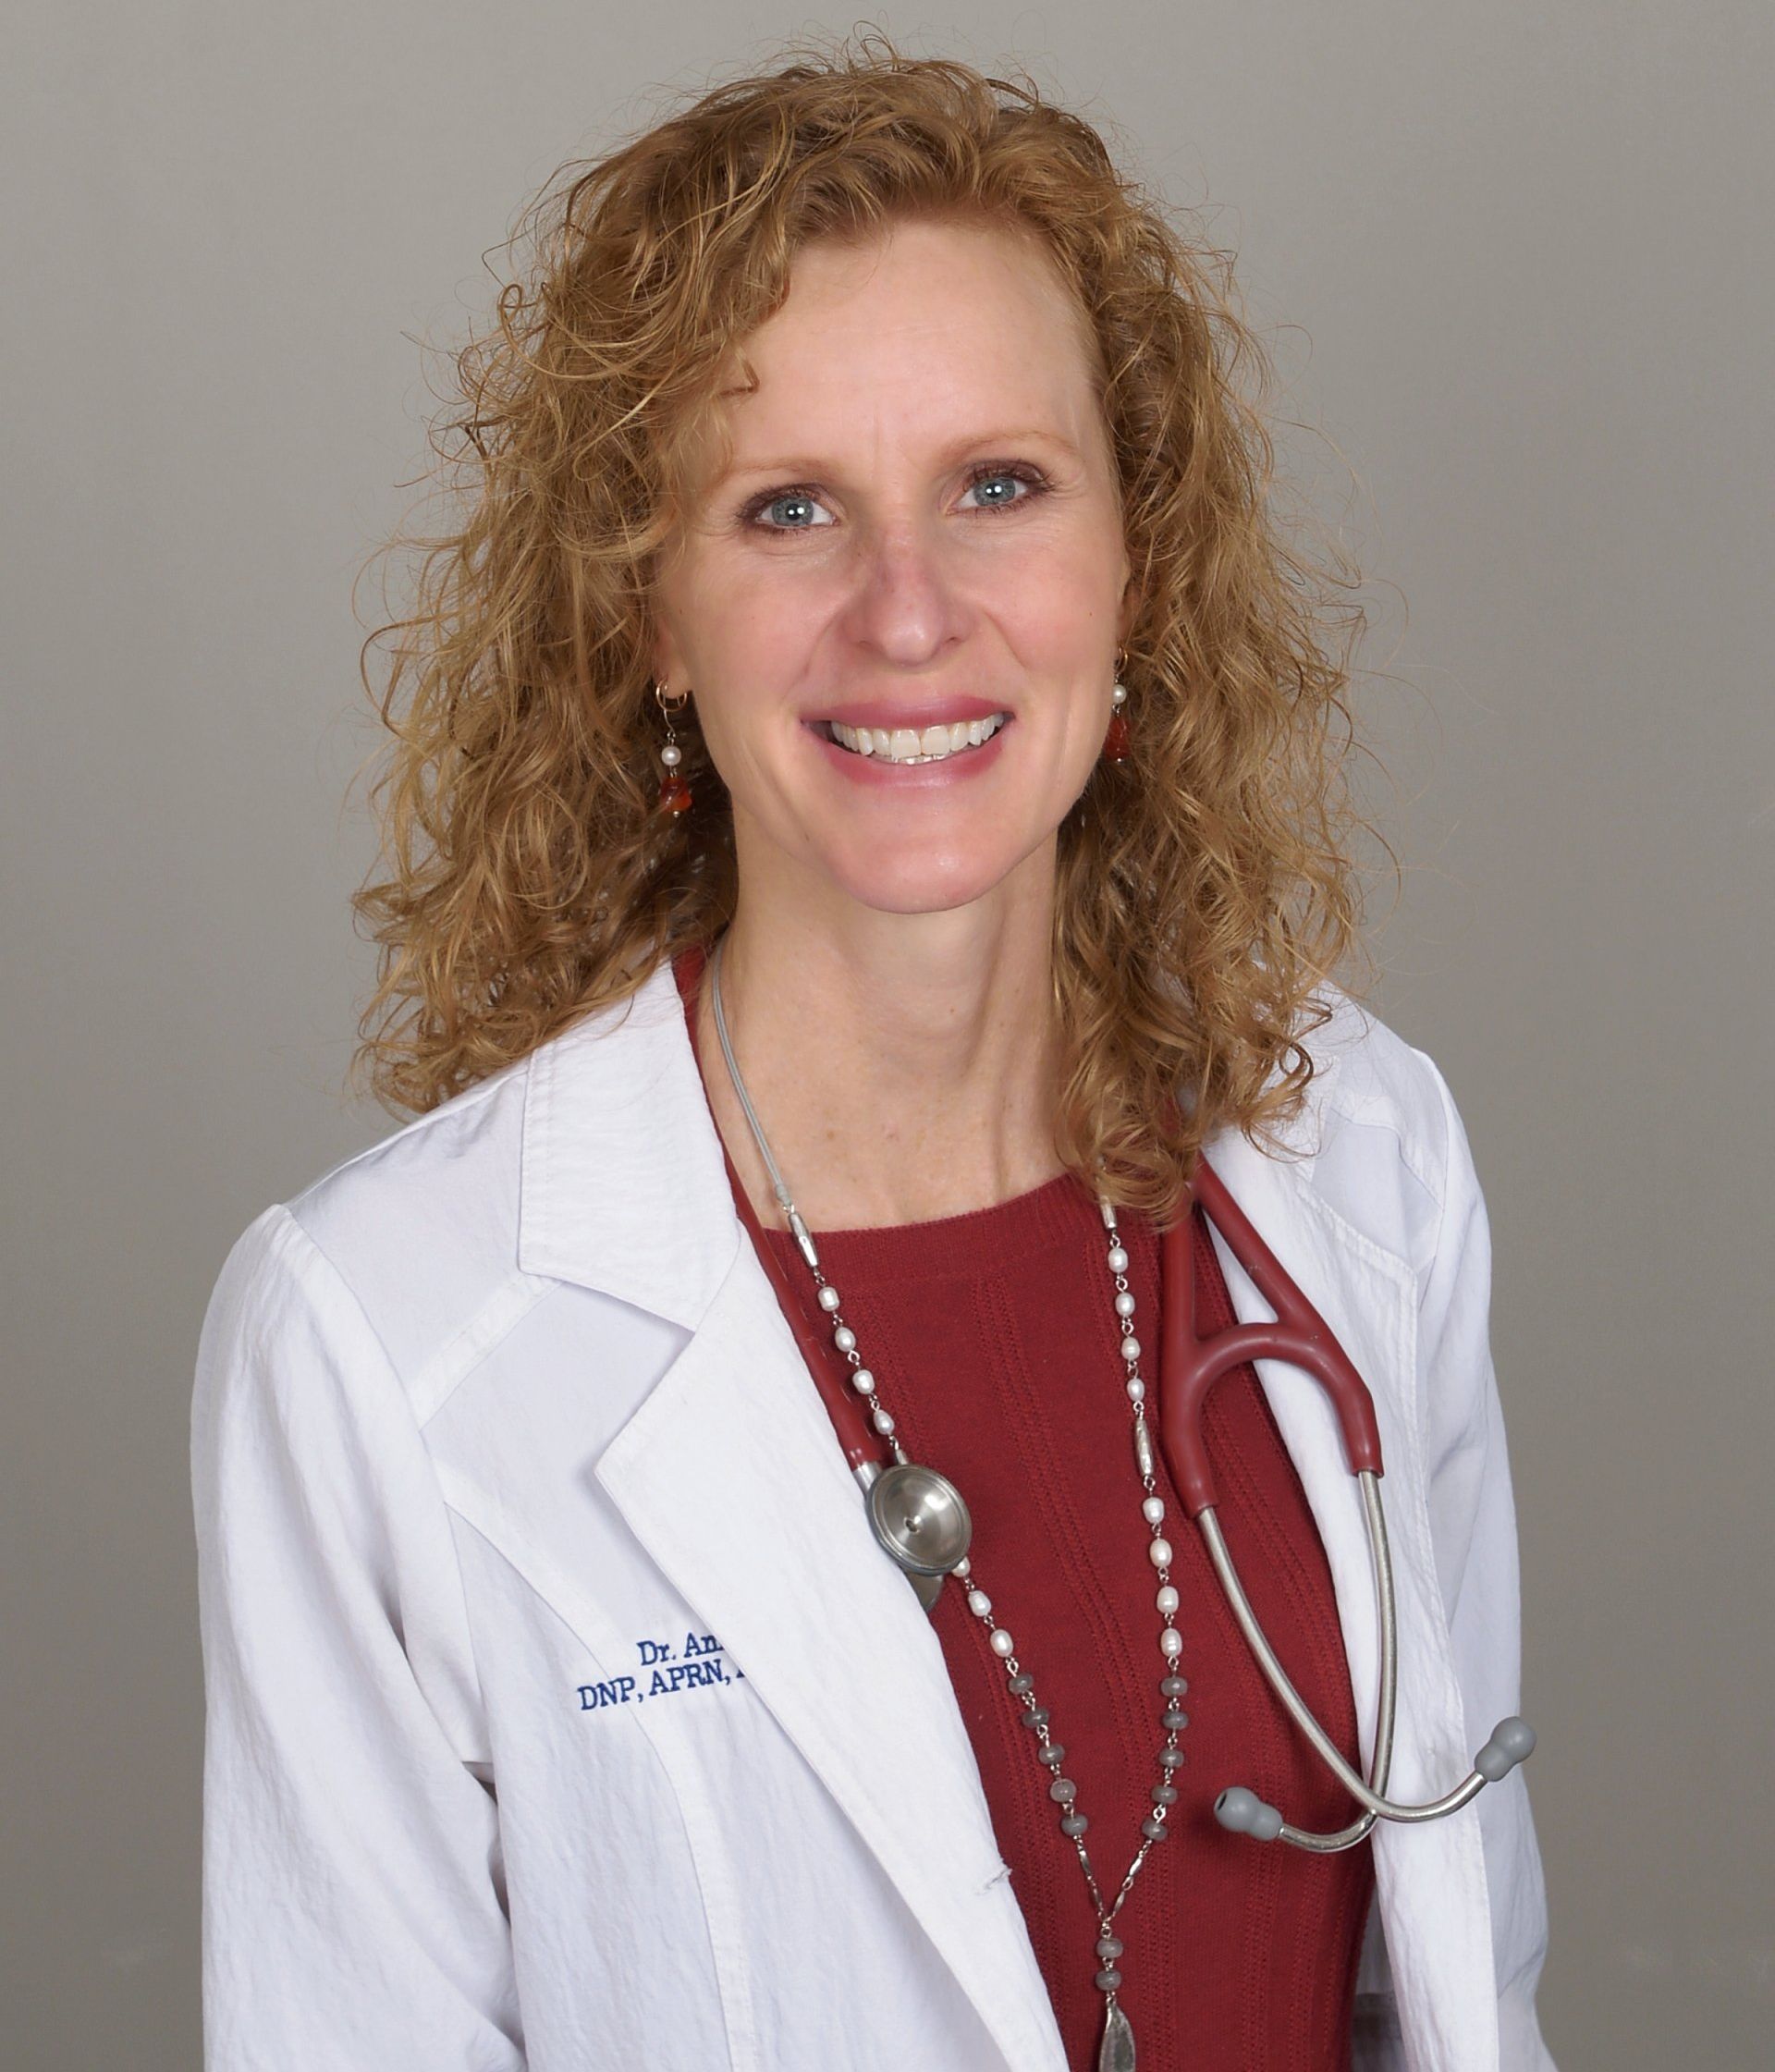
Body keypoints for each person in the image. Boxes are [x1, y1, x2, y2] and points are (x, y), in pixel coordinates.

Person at [190, 33, 1553, 2072]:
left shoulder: (1360, 1150)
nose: (908, 613)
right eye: (789, 508)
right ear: (651, 614)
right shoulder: (382, 1342)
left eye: (1000, 485)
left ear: (1135, 558)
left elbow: (1460, 1986)